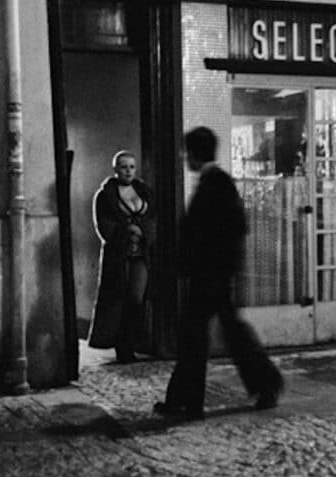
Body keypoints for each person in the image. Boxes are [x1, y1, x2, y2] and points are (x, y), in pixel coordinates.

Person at [155, 127, 283, 420]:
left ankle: (187, 402)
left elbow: (225, 230)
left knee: (195, 338)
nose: (183, 157)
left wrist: (203, 264)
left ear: (195, 153)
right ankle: (262, 385)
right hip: (214, 275)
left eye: (186, 151)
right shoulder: (215, 181)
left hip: (210, 276)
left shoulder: (216, 183)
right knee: (222, 335)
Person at [87, 150, 155, 363]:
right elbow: (104, 226)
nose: (128, 171)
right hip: (119, 255)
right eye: (124, 167)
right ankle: (121, 347)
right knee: (118, 299)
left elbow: (154, 218)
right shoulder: (105, 195)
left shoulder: (144, 191)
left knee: (137, 299)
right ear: (115, 169)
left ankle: (131, 342)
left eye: (132, 167)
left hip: (141, 254)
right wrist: (127, 231)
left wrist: (144, 231)